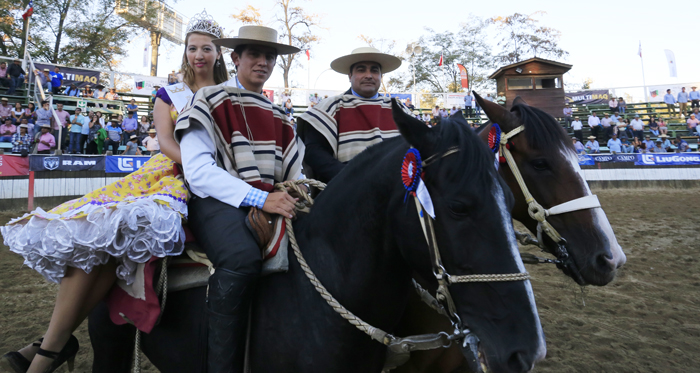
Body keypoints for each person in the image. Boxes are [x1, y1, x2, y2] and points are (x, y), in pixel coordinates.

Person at [0, 10, 229, 373]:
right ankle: (52, 346)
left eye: (206, 49)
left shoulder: (226, 95)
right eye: (192, 48)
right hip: (171, 173)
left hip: (213, 176)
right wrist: (200, 164)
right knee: (103, 234)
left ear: (219, 54)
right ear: (184, 52)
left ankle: (48, 349)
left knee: (116, 245)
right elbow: (166, 142)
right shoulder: (171, 92)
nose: (198, 55)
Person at [170, 24, 303, 372]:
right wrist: (260, 200)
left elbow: (294, 173)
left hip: (269, 199)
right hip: (214, 200)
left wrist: (300, 189)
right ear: (235, 58)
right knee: (242, 258)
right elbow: (198, 173)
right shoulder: (210, 99)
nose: (263, 62)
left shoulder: (281, 116)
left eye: (269, 56)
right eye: (254, 55)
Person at [297, 46, 404, 184]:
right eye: (361, 69)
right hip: (346, 193)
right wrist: (351, 179)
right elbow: (314, 152)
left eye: (374, 70)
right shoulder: (330, 107)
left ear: (381, 76)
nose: (369, 75)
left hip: (398, 191)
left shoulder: (398, 109)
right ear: (350, 76)